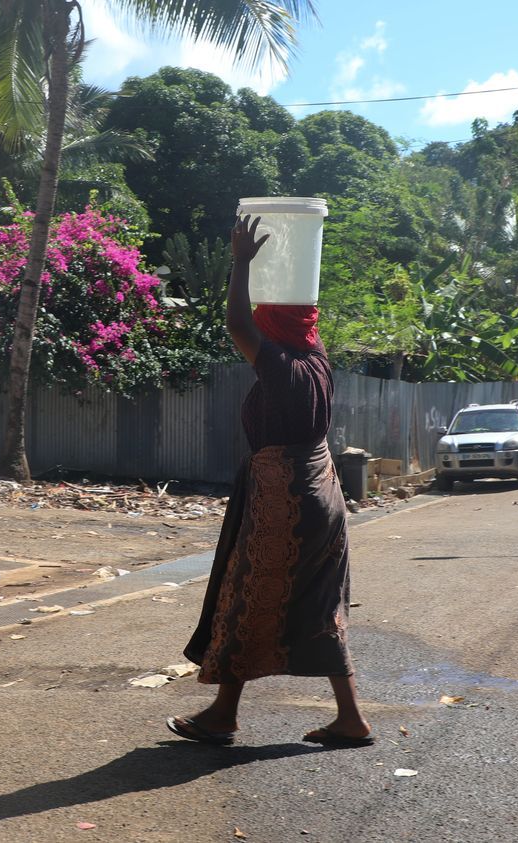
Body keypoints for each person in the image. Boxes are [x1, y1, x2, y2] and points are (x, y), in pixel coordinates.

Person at [167, 215, 370, 748]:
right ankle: (349, 717)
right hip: (322, 489)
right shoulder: (316, 357)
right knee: (319, 603)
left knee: (249, 591)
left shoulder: (283, 364)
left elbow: (238, 325)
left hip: (285, 498)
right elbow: (286, 315)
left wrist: (241, 264)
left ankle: (223, 714)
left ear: (275, 326)